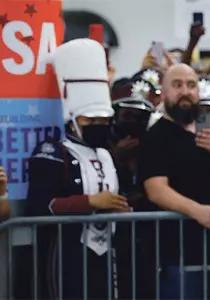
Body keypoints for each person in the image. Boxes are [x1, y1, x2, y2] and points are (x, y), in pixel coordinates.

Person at [26, 38, 129, 300]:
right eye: (90, 119)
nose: (98, 124)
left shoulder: (108, 153)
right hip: (65, 252)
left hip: (108, 252)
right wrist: (90, 201)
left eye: (103, 119)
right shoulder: (51, 151)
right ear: (74, 119)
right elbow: (38, 204)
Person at [138, 64, 210, 299]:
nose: (185, 92)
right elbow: (156, 189)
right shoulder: (156, 136)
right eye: (177, 85)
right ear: (163, 93)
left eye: (191, 85)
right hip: (177, 250)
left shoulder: (206, 124)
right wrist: (196, 210)